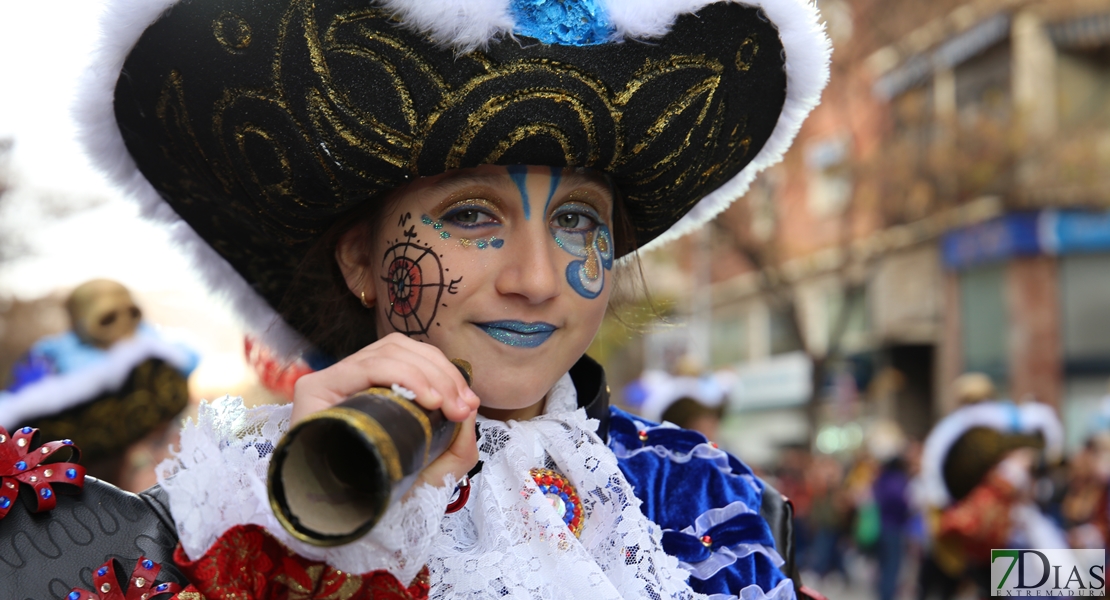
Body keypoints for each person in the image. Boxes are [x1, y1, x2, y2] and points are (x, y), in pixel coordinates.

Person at [1, 0, 831, 597]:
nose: (537, 279)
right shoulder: (229, 511)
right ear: (361, 258)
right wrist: (299, 545)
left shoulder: (712, 499)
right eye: (472, 215)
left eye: (577, 219)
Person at [0, 279, 197, 485]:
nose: (124, 325)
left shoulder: (157, 365)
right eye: (108, 318)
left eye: (132, 313)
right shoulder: (51, 367)